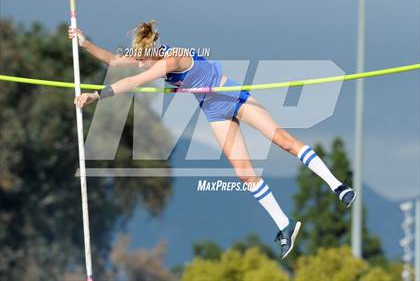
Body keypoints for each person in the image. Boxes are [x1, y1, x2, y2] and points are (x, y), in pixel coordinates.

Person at [69, 20, 356, 259]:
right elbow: (116, 61)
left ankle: (337, 186)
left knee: (283, 140)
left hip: (230, 94)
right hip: (212, 108)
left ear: (152, 54)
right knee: (244, 173)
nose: (140, 65)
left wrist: (97, 95)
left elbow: (131, 81)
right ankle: (285, 224)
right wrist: (84, 43)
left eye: (142, 61)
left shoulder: (170, 59)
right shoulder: (150, 58)